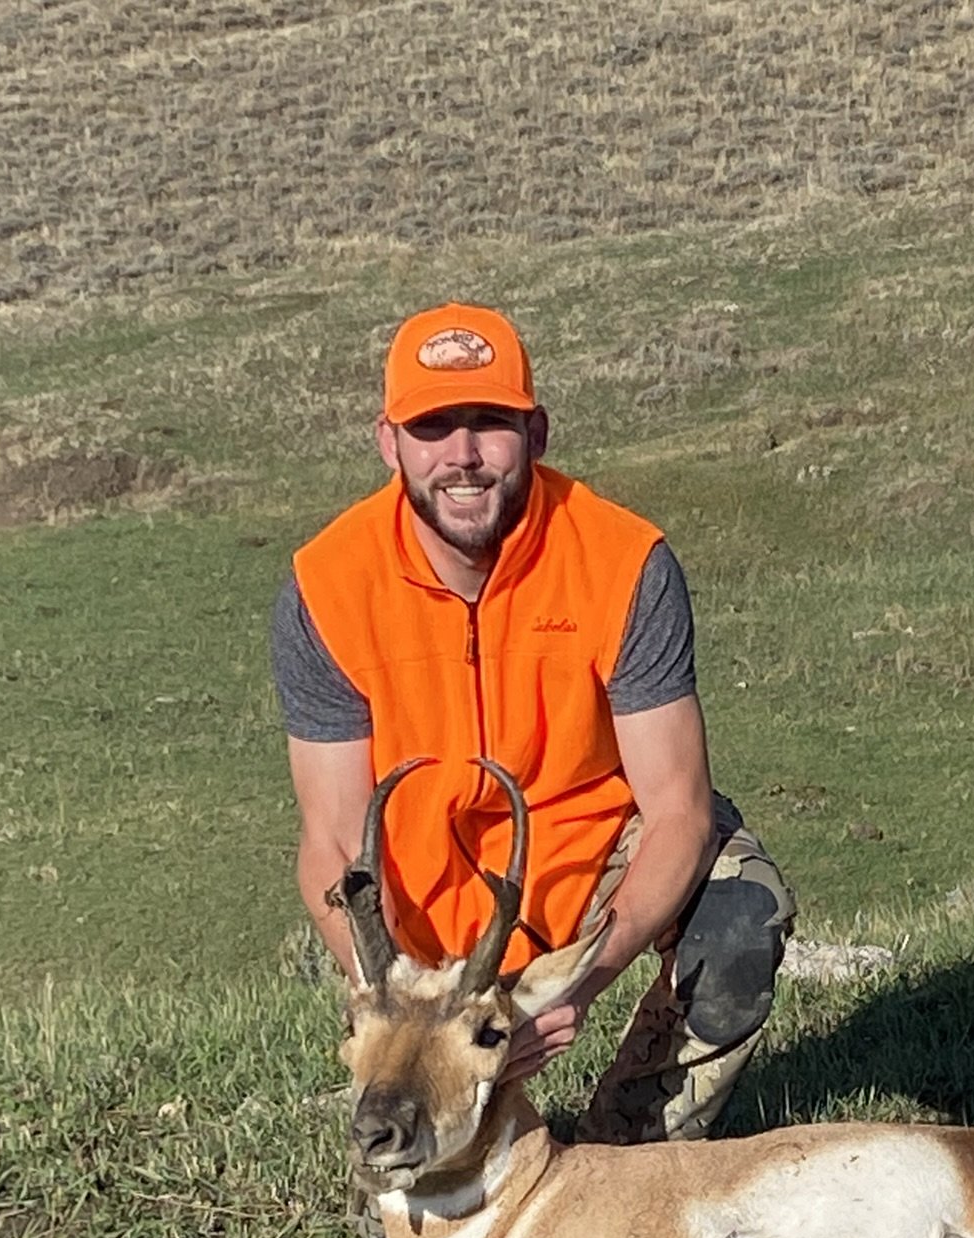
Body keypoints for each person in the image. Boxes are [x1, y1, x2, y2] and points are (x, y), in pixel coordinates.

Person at [272, 301, 794, 1145]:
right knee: (412, 1193)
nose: (464, 456)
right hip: (421, 921)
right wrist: (395, 996)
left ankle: (630, 1151)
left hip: (589, 865)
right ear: (388, 442)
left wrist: (579, 987)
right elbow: (332, 841)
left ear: (538, 432)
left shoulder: (623, 563)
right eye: (433, 426)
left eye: (491, 423)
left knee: (740, 910)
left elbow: (678, 812)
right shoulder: (327, 586)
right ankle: (433, 1130)